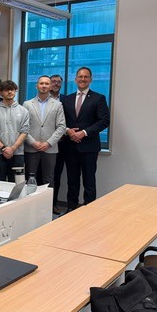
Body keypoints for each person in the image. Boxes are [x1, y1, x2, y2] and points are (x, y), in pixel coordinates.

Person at [61, 67, 110, 211]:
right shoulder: (67, 99)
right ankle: (71, 209)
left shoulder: (98, 98)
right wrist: (68, 131)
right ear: (75, 79)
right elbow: (60, 121)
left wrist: (84, 133)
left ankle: (89, 212)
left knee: (89, 182)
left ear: (90, 79)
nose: (83, 79)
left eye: (86, 77)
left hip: (89, 148)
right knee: (72, 181)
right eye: (80, 77)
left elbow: (104, 121)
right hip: (70, 146)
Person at [23, 75, 66, 187]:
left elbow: (61, 127)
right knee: (30, 179)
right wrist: (32, 142)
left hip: (50, 148)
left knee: (49, 179)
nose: (44, 86)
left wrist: (48, 143)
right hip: (31, 147)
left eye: (47, 84)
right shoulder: (27, 104)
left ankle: (48, 200)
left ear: (50, 86)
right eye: (41, 83)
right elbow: (23, 127)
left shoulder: (58, 105)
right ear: (36, 86)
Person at [0, 80, 30, 182]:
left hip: (17, 153)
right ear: (1, 92)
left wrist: (13, 148)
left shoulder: (23, 111)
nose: (10, 92)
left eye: (12, 90)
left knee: (17, 184)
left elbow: (24, 132)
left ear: (15, 91)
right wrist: (3, 148)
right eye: (6, 90)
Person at [49, 74, 66, 213]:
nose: (55, 84)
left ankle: (53, 203)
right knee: (40, 176)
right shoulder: (40, 99)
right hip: (42, 143)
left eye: (58, 82)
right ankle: (40, 204)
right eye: (53, 81)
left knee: (56, 175)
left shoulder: (67, 100)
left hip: (61, 144)